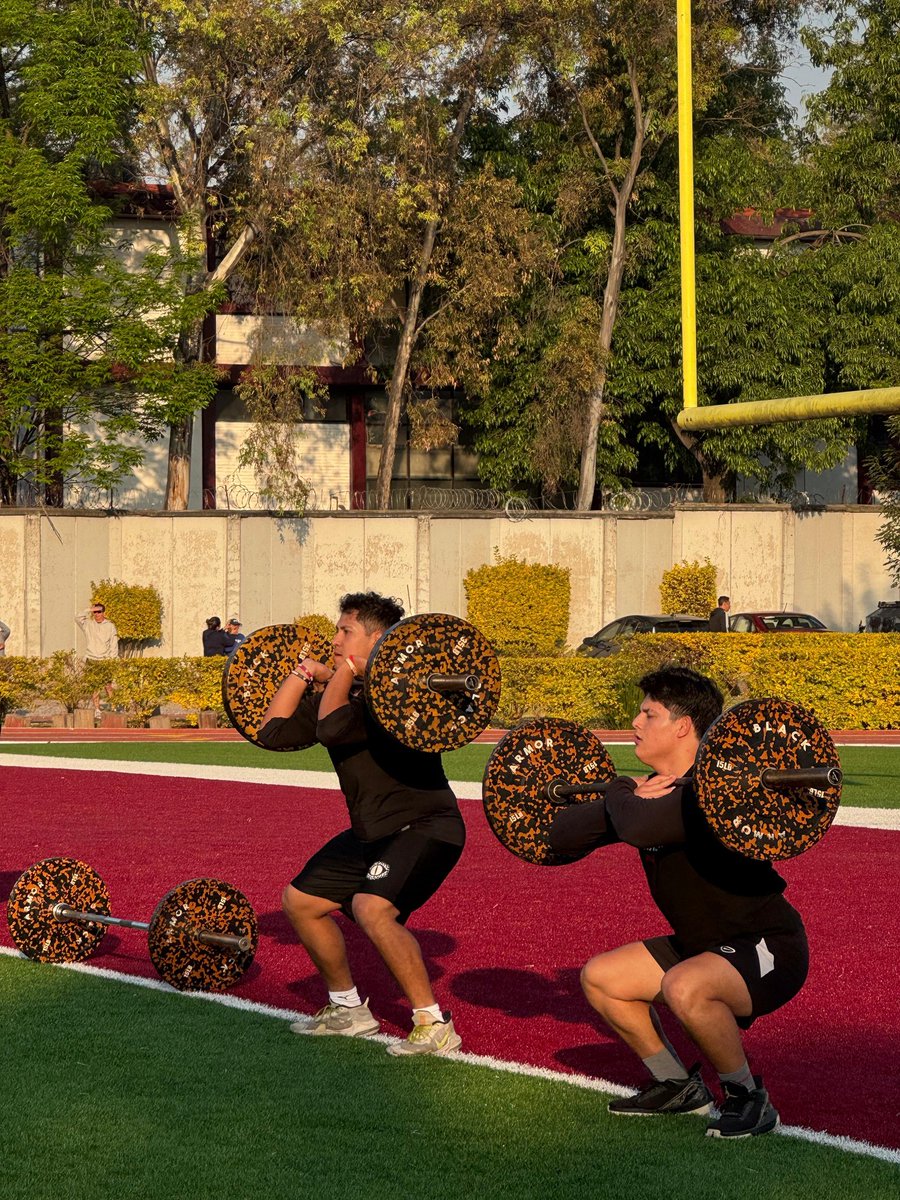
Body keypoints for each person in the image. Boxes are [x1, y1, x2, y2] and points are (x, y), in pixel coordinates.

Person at [549, 667, 808, 1139]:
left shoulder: (716, 794)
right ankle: (677, 1086)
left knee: (683, 986)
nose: (636, 722)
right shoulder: (652, 793)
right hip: (702, 945)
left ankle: (748, 1097)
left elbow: (639, 826)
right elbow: (561, 835)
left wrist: (620, 791)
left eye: (649, 714)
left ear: (683, 726)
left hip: (766, 945)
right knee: (603, 978)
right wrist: (625, 797)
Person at [256, 591, 465, 1056]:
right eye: (337, 630)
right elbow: (271, 733)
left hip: (426, 825)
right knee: (301, 902)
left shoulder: (403, 694)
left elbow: (331, 729)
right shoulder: (342, 692)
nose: (334, 640)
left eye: (345, 631)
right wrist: (304, 673)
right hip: (373, 832)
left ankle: (433, 1024)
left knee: (372, 909)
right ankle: (348, 1009)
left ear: (377, 639)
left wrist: (344, 673)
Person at [75, 603, 119, 718]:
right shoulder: (88, 624)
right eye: (95, 612)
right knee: (94, 687)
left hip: (105, 660)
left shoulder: (110, 626)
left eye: (99, 612)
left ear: (103, 613)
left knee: (108, 686)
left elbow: (114, 644)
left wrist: (113, 660)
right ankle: (97, 709)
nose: (97, 614)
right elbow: (77, 617)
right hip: (92, 658)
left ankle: (113, 706)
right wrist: (89, 609)